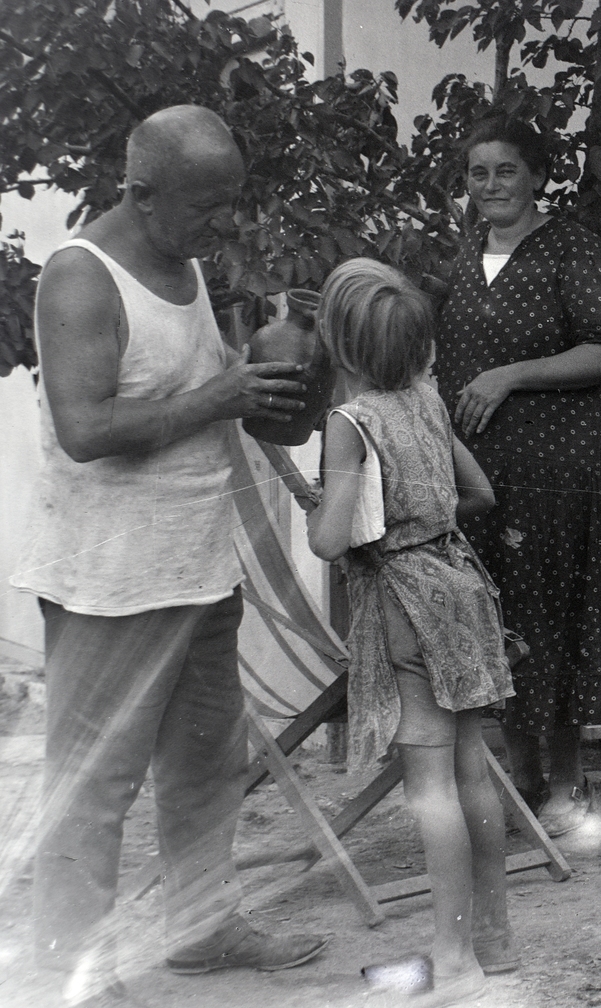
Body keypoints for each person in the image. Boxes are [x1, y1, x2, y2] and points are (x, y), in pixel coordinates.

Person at [11, 105, 325, 1006]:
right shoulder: (81, 279)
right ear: (141, 193)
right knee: (93, 789)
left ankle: (202, 928)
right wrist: (220, 394)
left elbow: (232, 405)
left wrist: (301, 364)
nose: (223, 226)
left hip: (196, 564)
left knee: (203, 766)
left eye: (230, 204)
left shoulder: (183, 260)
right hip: (107, 583)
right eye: (205, 207)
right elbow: (84, 430)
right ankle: (70, 965)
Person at [306, 259, 516, 1006]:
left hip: (403, 605)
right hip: (458, 591)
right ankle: (492, 938)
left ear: (344, 346)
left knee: (431, 791)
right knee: (470, 772)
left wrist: (323, 507)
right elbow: (479, 492)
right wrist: (426, 520)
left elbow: (330, 542)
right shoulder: (426, 401)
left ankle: (451, 959)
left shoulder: (350, 421)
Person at [434, 115, 601, 837]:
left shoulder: (570, 250)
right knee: (499, 620)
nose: (490, 185)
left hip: (556, 472)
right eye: (477, 173)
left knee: (555, 613)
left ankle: (568, 785)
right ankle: (520, 779)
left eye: (505, 170)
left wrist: (510, 376)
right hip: (478, 476)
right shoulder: (459, 262)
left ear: (538, 176)